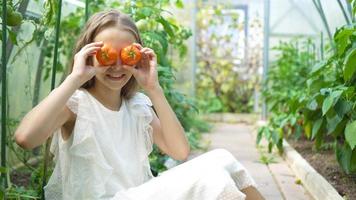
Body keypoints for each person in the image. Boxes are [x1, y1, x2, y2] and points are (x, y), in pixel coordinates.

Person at [14, 9, 264, 200]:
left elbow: (180, 152)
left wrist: (153, 88)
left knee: (222, 158)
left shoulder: (136, 106)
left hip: (139, 194)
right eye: (107, 55)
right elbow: (25, 138)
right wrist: (76, 78)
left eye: (127, 56)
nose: (118, 66)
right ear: (88, 54)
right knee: (210, 178)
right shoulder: (77, 105)